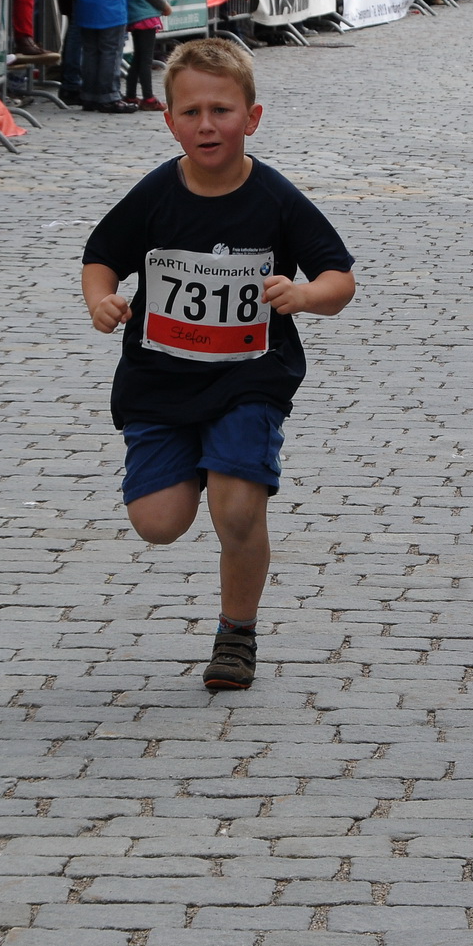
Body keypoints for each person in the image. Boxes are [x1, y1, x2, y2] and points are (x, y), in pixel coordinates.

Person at [80, 38, 356, 691]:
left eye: (223, 110)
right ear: (168, 119)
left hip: (247, 379)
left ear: (251, 118)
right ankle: (204, 461)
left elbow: (338, 278)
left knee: (235, 512)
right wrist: (102, 299)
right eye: (192, 111)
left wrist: (304, 295)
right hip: (160, 381)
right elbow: (101, 253)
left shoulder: (275, 198)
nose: (207, 124)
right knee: (158, 522)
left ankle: (237, 631)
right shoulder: (155, 194)